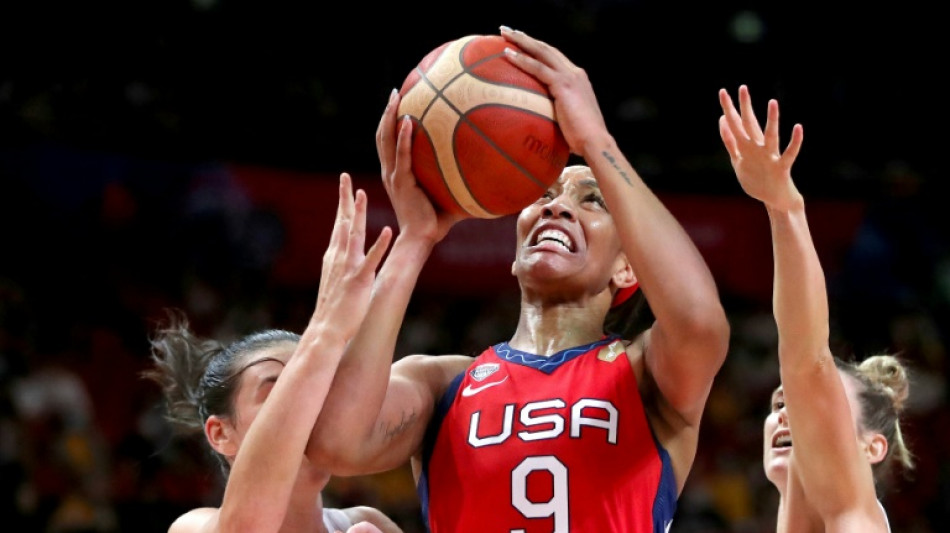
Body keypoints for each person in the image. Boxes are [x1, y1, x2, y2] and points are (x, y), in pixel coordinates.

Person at [306, 27, 731, 532]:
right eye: (544, 195)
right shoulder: (442, 384)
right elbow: (337, 442)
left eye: (592, 200)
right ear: (513, 253)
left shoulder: (646, 373)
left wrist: (596, 141)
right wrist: (416, 238)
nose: (557, 207)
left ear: (628, 267)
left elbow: (700, 322)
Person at [143, 174, 399, 533]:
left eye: (318, 391)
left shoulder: (371, 523)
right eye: (279, 391)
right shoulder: (192, 527)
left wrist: (415, 238)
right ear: (220, 434)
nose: (310, 409)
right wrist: (327, 330)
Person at [717, 84, 915, 532]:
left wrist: (783, 207)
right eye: (779, 402)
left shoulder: (855, 516)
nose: (788, 412)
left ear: (871, 447)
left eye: (809, 399)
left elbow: (806, 360)